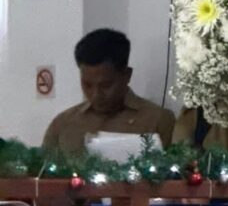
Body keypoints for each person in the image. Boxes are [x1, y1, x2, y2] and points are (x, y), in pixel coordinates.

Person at [42, 28, 175, 154]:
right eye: (87, 85)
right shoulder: (63, 124)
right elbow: (42, 169)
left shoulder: (157, 121)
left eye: (106, 85)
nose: (96, 95)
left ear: (127, 75)